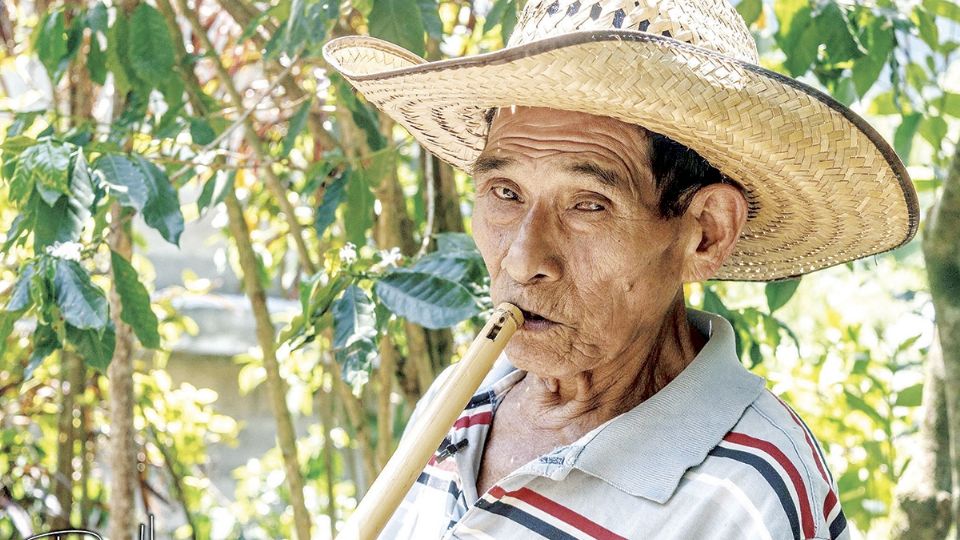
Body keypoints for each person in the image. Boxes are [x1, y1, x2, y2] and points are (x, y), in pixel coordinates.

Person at [323, 0, 918, 537]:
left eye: (588, 205)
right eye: (504, 192)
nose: (524, 259)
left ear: (705, 232)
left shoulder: (748, 492)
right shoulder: (463, 398)